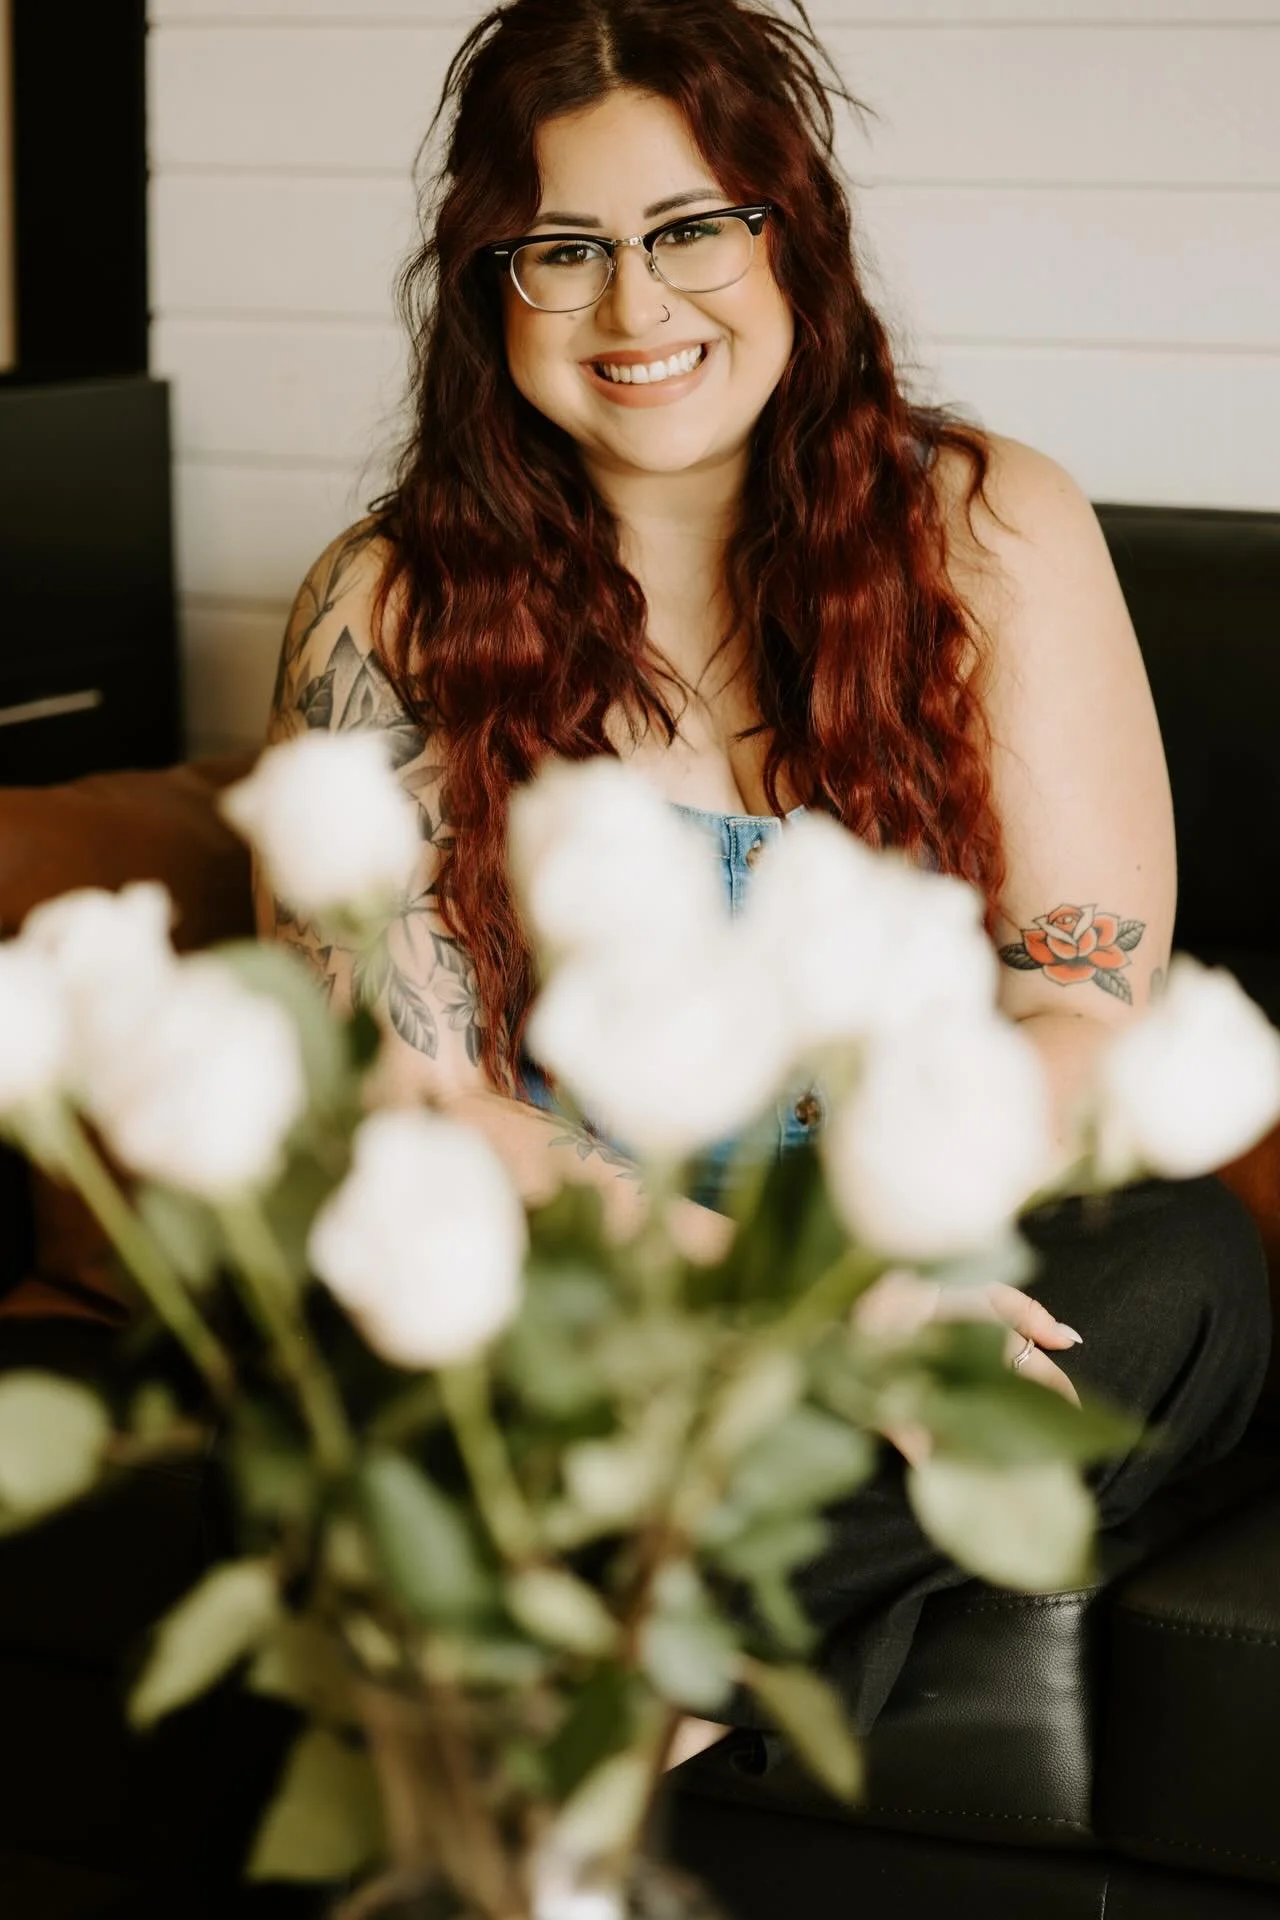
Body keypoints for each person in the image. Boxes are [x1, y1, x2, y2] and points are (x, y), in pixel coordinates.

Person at [253, 0, 1270, 1741]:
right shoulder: (385, 603)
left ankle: (592, 1703)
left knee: (1176, 1278)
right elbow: (394, 1095)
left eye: (691, 229)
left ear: (791, 235)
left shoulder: (993, 526)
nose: (636, 306)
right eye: (561, 249)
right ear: (489, 287)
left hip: (941, 1215)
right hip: (577, 1256)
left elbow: (1081, 998)